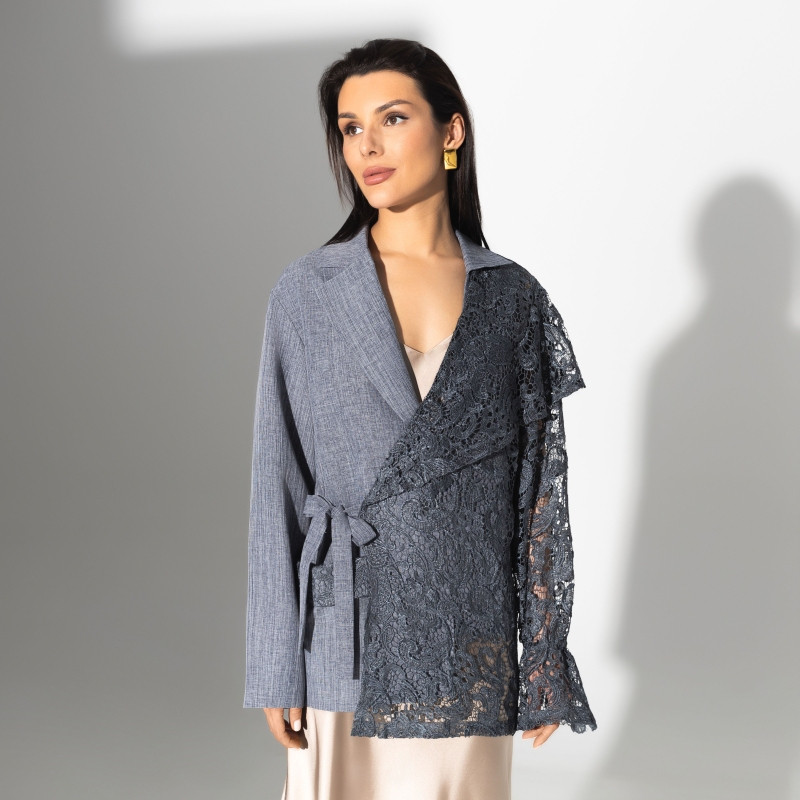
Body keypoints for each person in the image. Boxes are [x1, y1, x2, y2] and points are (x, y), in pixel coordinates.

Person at [244, 38, 597, 800]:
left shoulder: (512, 299)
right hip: (346, 638)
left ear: (451, 130)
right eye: (350, 128)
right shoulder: (307, 293)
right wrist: (275, 663)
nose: (366, 146)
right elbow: (277, 487)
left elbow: (540, 492)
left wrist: (543, 657)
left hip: (469, 638)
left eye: (393, 118)